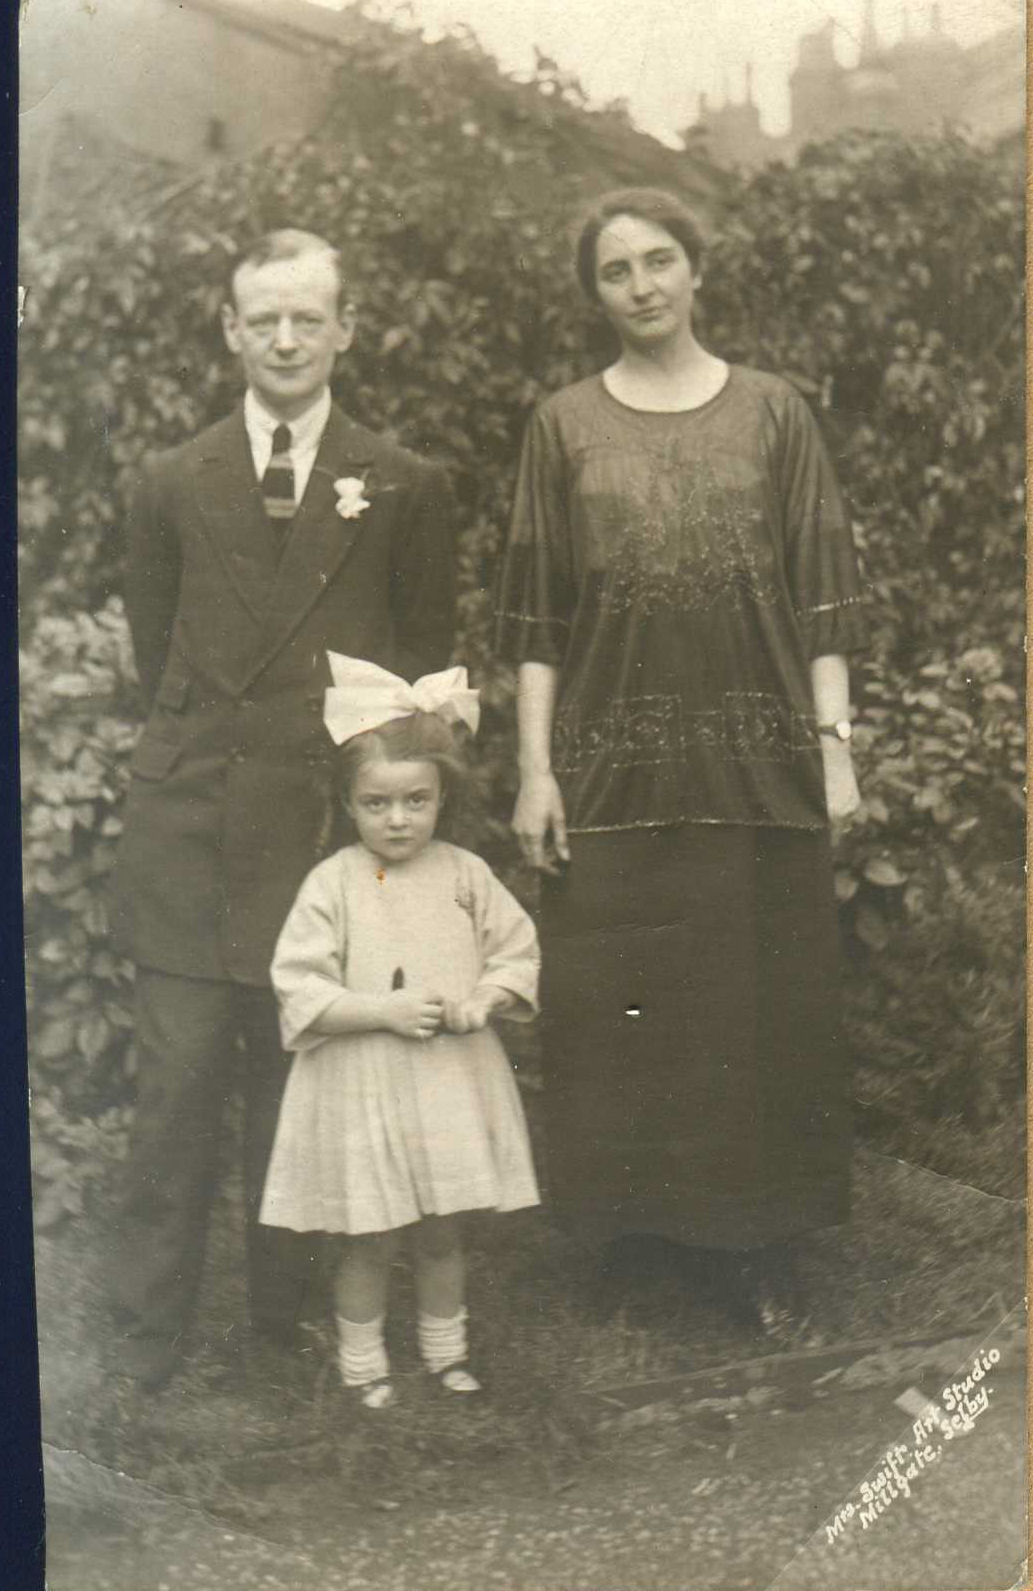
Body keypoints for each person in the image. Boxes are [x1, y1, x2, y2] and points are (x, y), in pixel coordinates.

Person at [495, 188, 867, 1327]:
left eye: (659, 260)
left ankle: (760, 1250)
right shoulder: (562, 426)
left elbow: (824, 599)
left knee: (760, 1008)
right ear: (594, 293)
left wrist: (834, 749)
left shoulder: (774, 413)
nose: (642, 285)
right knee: (624, 1008)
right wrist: (536, 769)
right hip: (612, 770)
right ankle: (636, 1246)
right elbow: (534, 620)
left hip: (759, 761)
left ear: (696, 270)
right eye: (616, 270)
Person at [109, 230, 457, 1388]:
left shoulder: (402, 483)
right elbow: (158, 649)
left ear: (346, 329)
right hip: (192, 822)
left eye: (309, 317)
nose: (287, 339)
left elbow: (415, 674)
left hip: (316, 827)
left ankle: (281, 1322)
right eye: (264, 319)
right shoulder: (170, 480)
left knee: (295, 1075)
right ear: (231, 330)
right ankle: (144, 1336)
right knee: (176, 1084)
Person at [259, 655, 540, 1407]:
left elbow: (516, 949)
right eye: (376, 803)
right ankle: (363, 1366)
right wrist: (380, 1010)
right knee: (368, 1234)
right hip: (363, 1086)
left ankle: (446, 1354)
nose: (398, 819)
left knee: (443, 1227)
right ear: (349, 803)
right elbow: (298, 983)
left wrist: (485, 997)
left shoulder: (465, 874)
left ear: (442, 797)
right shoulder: (334, 883)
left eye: (416, 801)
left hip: (446, 1082)